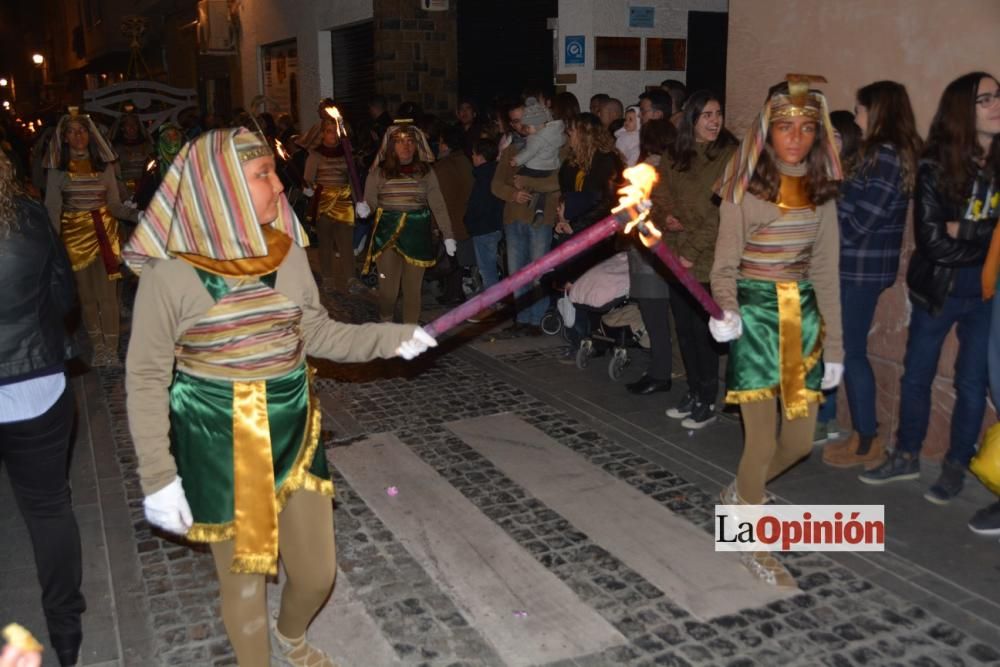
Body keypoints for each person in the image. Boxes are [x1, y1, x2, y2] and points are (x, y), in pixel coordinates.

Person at [124, 127, 437, 667]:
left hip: (294, 429)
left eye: (273, 170)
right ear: (221, 189)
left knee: (318, 573)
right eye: (262, 175)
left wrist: (393, 338)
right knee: (244, 589)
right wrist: (158, 476)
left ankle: (290, 636)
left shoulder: (287, 253)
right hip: (222, 439)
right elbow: (146, 376)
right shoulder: (170, 273)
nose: (278, 184)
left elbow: (317, 334)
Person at [710, 76, 844, 587]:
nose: (795, 137)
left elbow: (826, 270)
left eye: (807, 127)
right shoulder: (743, 187)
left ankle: (740, 497)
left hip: (802, 318)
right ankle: (751, 541)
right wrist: (726, 309)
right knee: (761, 443)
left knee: (801, 442)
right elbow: (723, 269)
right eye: (785, 126)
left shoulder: (822, 190)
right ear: (767, 128)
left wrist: (836, 346)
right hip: (756, 317)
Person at [859, 73, 999, 507]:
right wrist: (986, 236)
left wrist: (968, 228)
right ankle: (906, 455)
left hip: (986, 294)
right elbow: (933, 243)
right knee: (916, 375)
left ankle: (956, 464)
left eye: (999, 96)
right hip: (937, 291)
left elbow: (960, 236)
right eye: (986, 99)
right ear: (962, 109)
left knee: (973, 383)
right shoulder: (935, 164)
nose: (997, 104)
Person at [0, 151, 86, 667]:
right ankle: (66, 632)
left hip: (31, 382)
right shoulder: (28, 217)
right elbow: (65, 294)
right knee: (49, 511)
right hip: (34, 386)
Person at [817, 82, 922, 458]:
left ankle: (867, 439)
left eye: (860, 110)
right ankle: (862, 434)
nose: (856, 116)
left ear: (878, 112)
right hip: (857, 265)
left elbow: (865, 221)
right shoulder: (879, 155)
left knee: (851, 351)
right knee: (847, 348)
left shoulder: (886, 157)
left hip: (859, 268)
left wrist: (833, 200)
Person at [658, 90, 738, 427]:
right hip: (675, 253)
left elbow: (718, 212)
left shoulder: (730, 155)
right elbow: (660, 193)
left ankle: (707, 396)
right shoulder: (675, 153)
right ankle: (692, 390)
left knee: (704, 333)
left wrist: (691, 253)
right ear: (692, 119)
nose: (714, 120)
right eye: (707, 114)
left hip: (707, 259)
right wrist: (665, 216)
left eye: (718, 113)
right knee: (685, 331)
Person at [44, 108, 139, 367]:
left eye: (82, 130)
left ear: (90, 134)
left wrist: (142, 216)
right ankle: (99, 348)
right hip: (74, 238)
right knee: (87, 298)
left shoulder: (104, 165)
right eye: (72, 132)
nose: (78, 136)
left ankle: (111, 349)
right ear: (64, 137)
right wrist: (52, 244)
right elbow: (53, 208)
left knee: (108, 297)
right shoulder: (58, 170)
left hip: (104, 235)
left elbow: (116, 206)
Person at [361, 121, 455, 323]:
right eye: (401, 142)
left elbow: (438, 204)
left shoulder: (426, 172)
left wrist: (448, 235)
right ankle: (386, 318)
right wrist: (364, 208)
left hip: (417, 235)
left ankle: (409, 330)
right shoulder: (378, 173)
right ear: (391, 146)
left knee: (413, 290)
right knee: (388, 291)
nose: (406, 146)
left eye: (411, 141)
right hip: (388, 236)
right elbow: (370, 201)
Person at [491, 102, 559, 337]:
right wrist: (513, 193)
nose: (522, 126)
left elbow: (557, 183)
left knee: (537, 270)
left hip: (540, 218)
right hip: (514, 217)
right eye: (516, 121)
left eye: (524, 120)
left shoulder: (554, 147)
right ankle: (522, 318)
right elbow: (496, 184)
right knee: (517, 272)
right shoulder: (512, 150)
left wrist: (529, 185)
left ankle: (538, 319)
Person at [303, 116, 366, 293]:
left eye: (335, 131)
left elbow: (353, 179)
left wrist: (359, 201)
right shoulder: (315, 155)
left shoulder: (347, 153)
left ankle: (351, 279)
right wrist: (309, 190)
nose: (332, 135)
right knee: (325, 243)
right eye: (329, 131)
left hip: (344, 202)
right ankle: (327, 279)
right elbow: (308, 179)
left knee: (346, 243)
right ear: (323, 133)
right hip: (324, 204)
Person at [432, 124, 475, 306]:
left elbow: (440, 199)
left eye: (441, 142)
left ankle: (454, 293)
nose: (439, 146)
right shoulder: (464, 161)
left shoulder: (445, 167)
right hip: (463, 218)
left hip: (452, 220)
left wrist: (435, 225)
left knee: (451, 261)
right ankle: (453, 292)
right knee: (455, 260)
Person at [465, 136, 506, 323]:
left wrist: (469, 220)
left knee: (487, 268)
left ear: (480, 157)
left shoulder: (483, 176)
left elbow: (479, 205)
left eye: (474, 154)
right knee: (489, 265)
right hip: (493, 225)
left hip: (484, 227)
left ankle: (492, 305)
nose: (472, 158)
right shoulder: (495, 173)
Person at [510, 97, 565, 225]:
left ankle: (533, 201)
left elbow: (529, 153)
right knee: (541, 193)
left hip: (535, 169)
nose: (525, 129)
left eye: (527, 126)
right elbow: (498, 183)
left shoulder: (535, 139)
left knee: (519, 176)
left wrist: (516, 161)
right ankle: (539, 210)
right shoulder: (556, 133)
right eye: (517, 122)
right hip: (549, 167)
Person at [110, 111, 153, 202]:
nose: (132, 127)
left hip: (146, 187)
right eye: (128, 124)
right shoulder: (116, 148)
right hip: (125, 188)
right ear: (122, 127)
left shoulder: (147, 145)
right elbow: (114, 172)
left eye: (134, 124)